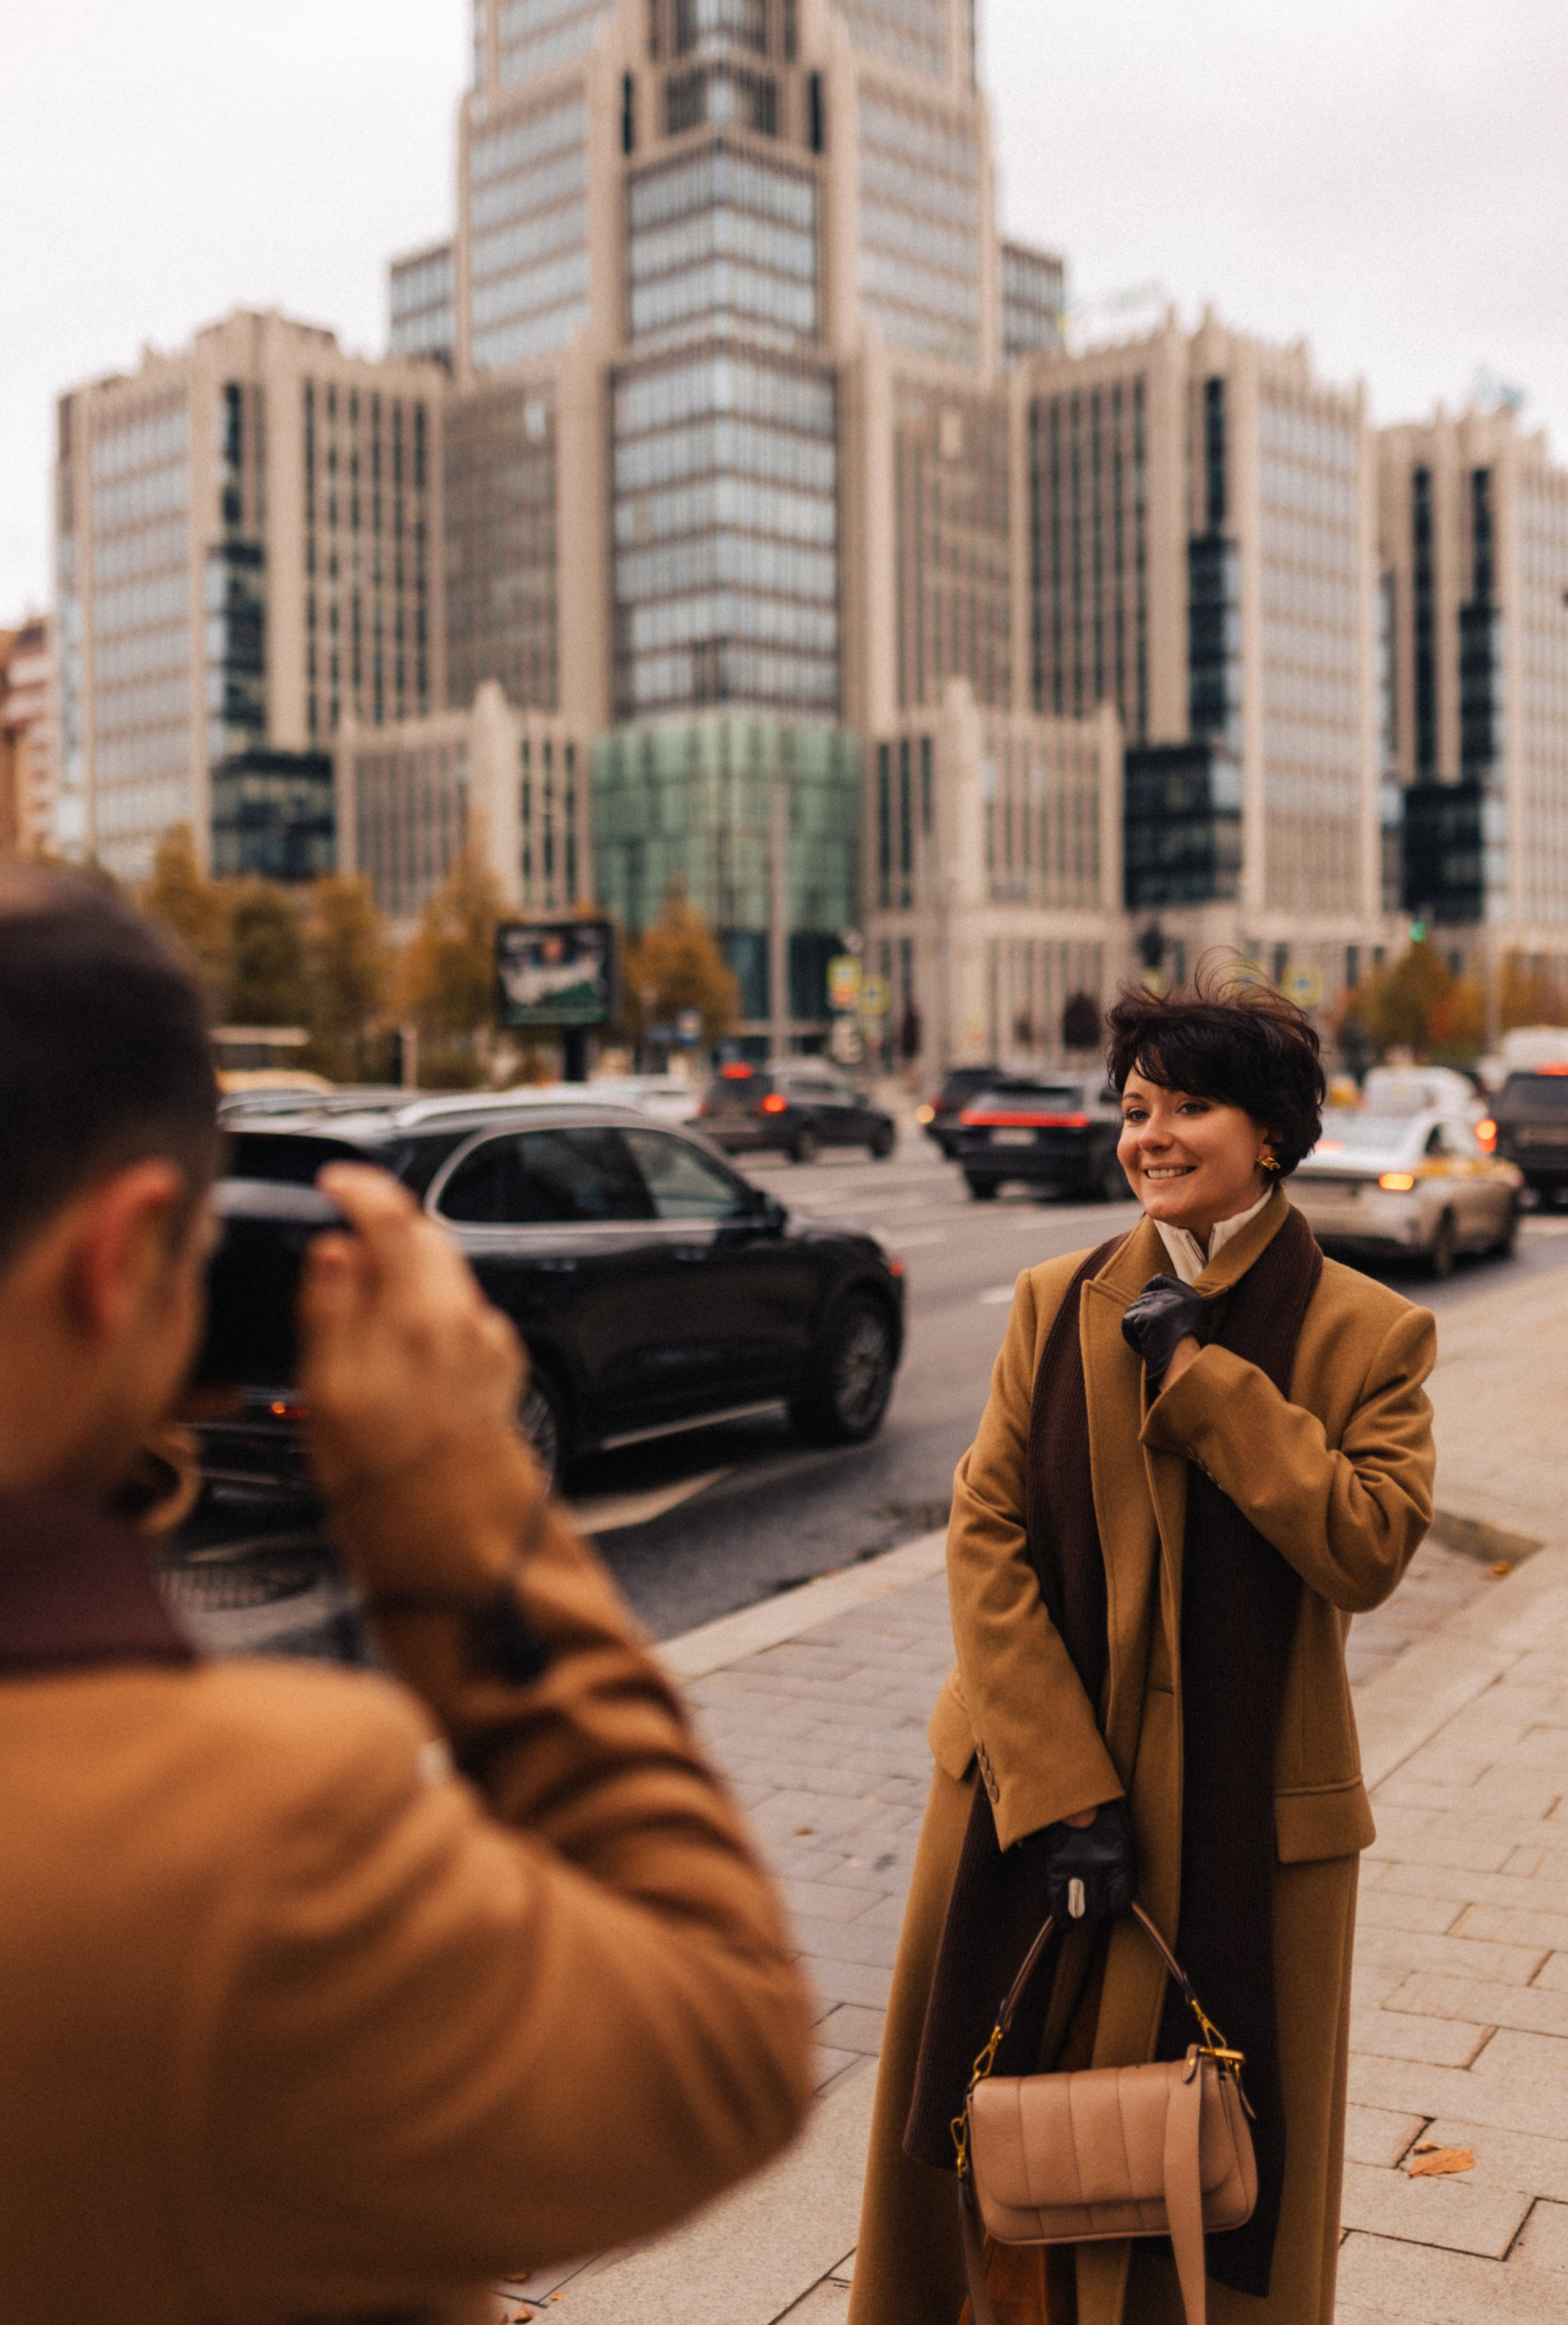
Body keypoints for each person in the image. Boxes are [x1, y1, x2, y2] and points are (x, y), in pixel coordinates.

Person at [0, 863, 814, 2322]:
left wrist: (90, 1457)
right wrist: (452, 1490)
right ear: (119, 1261)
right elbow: (726, 2048)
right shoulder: (250, 1843)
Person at [849, 966, 1437, 2325]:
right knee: (1001, 2132)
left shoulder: (1368, 1333)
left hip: (1238, 1830)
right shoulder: (1054, 1301)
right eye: (1133, 1108)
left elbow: (1366, 1546)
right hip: (1023, 1801)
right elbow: (982, 1535)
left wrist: (1206, 1385)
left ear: (1271, 1137)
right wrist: (1061, 1793)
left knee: (1203, 2174)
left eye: (1189, 1108)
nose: (1149, 1137)